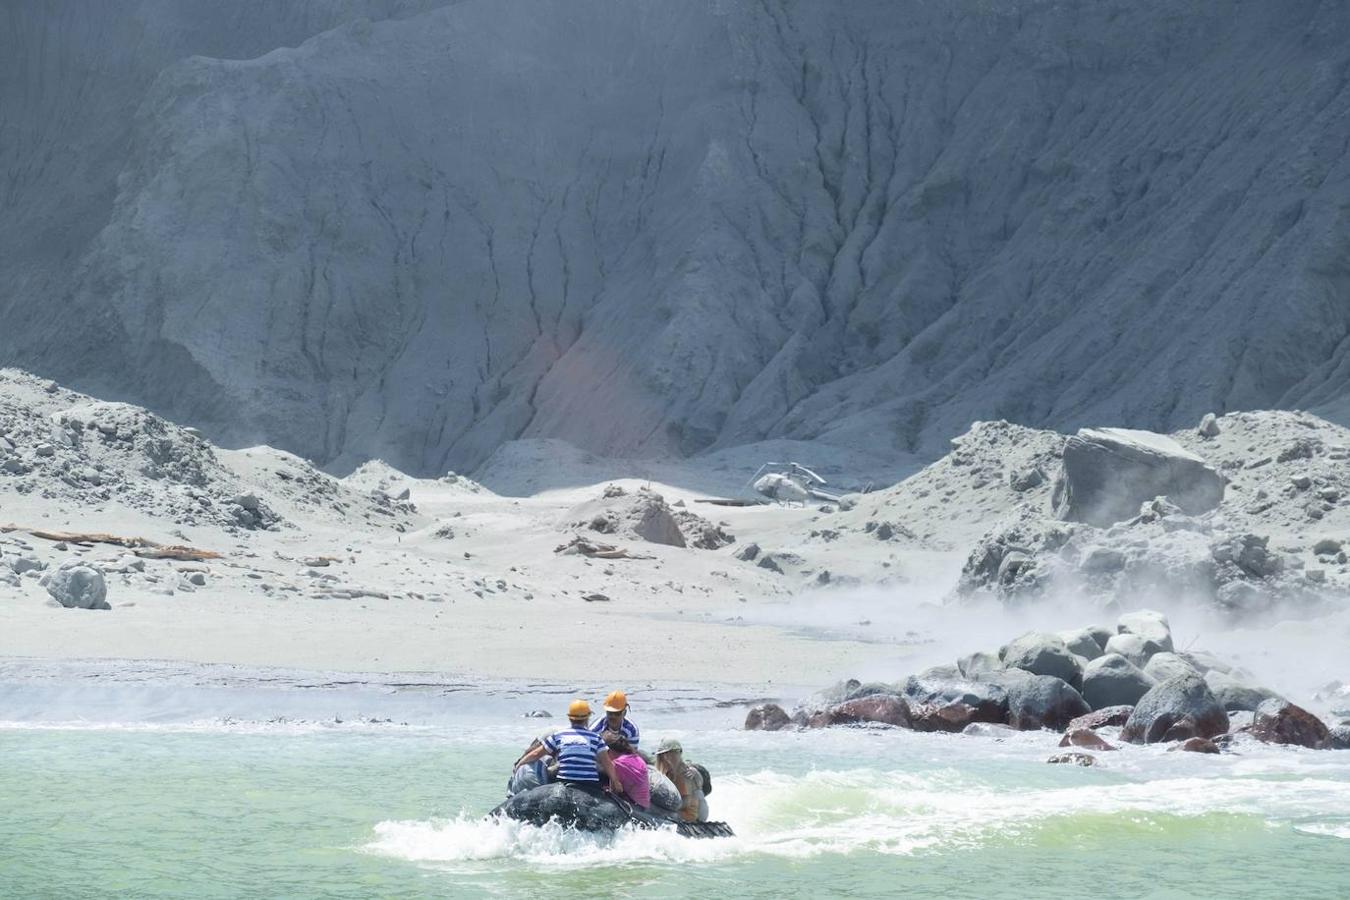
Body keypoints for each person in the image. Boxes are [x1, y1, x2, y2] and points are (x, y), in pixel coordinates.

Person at [514, 699, 617, 794]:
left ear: (569, 718)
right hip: (589, 785)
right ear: (587, 718)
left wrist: (520, 763)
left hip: (564, 783)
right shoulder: (596, 738)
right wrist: (616, 782)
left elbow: (536, 754)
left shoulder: (559, 735)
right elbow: (607, 763)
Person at [654, 738, 708, 822]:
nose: (666, 758)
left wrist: (664, 807)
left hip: (687, 815)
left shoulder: (683, 774)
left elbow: (686, 801)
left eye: (670, 754)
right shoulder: (670, 772)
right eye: (663, 755)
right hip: (682, 811)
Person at [602, 733, 650, 809]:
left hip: (633, 806)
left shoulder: (617, 764)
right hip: (644, 805)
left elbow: (615, 791)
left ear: (609, 750)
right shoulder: (638, 758)